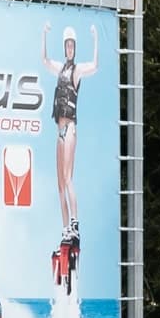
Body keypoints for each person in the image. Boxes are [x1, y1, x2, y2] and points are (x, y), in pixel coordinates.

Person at [42, 21, 102, 248]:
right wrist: (44, 35)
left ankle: (75, 223)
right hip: (59, 130)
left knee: (68, 179)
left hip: (70, 128)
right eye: (66, 45)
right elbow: (45, 61)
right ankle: (65, 228)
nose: (69, 49)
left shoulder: (77, 71)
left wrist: (96, 38)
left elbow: (95, 65)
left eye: (72, 45)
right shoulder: (60, 69)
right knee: (59, 184)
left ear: (75, 47)